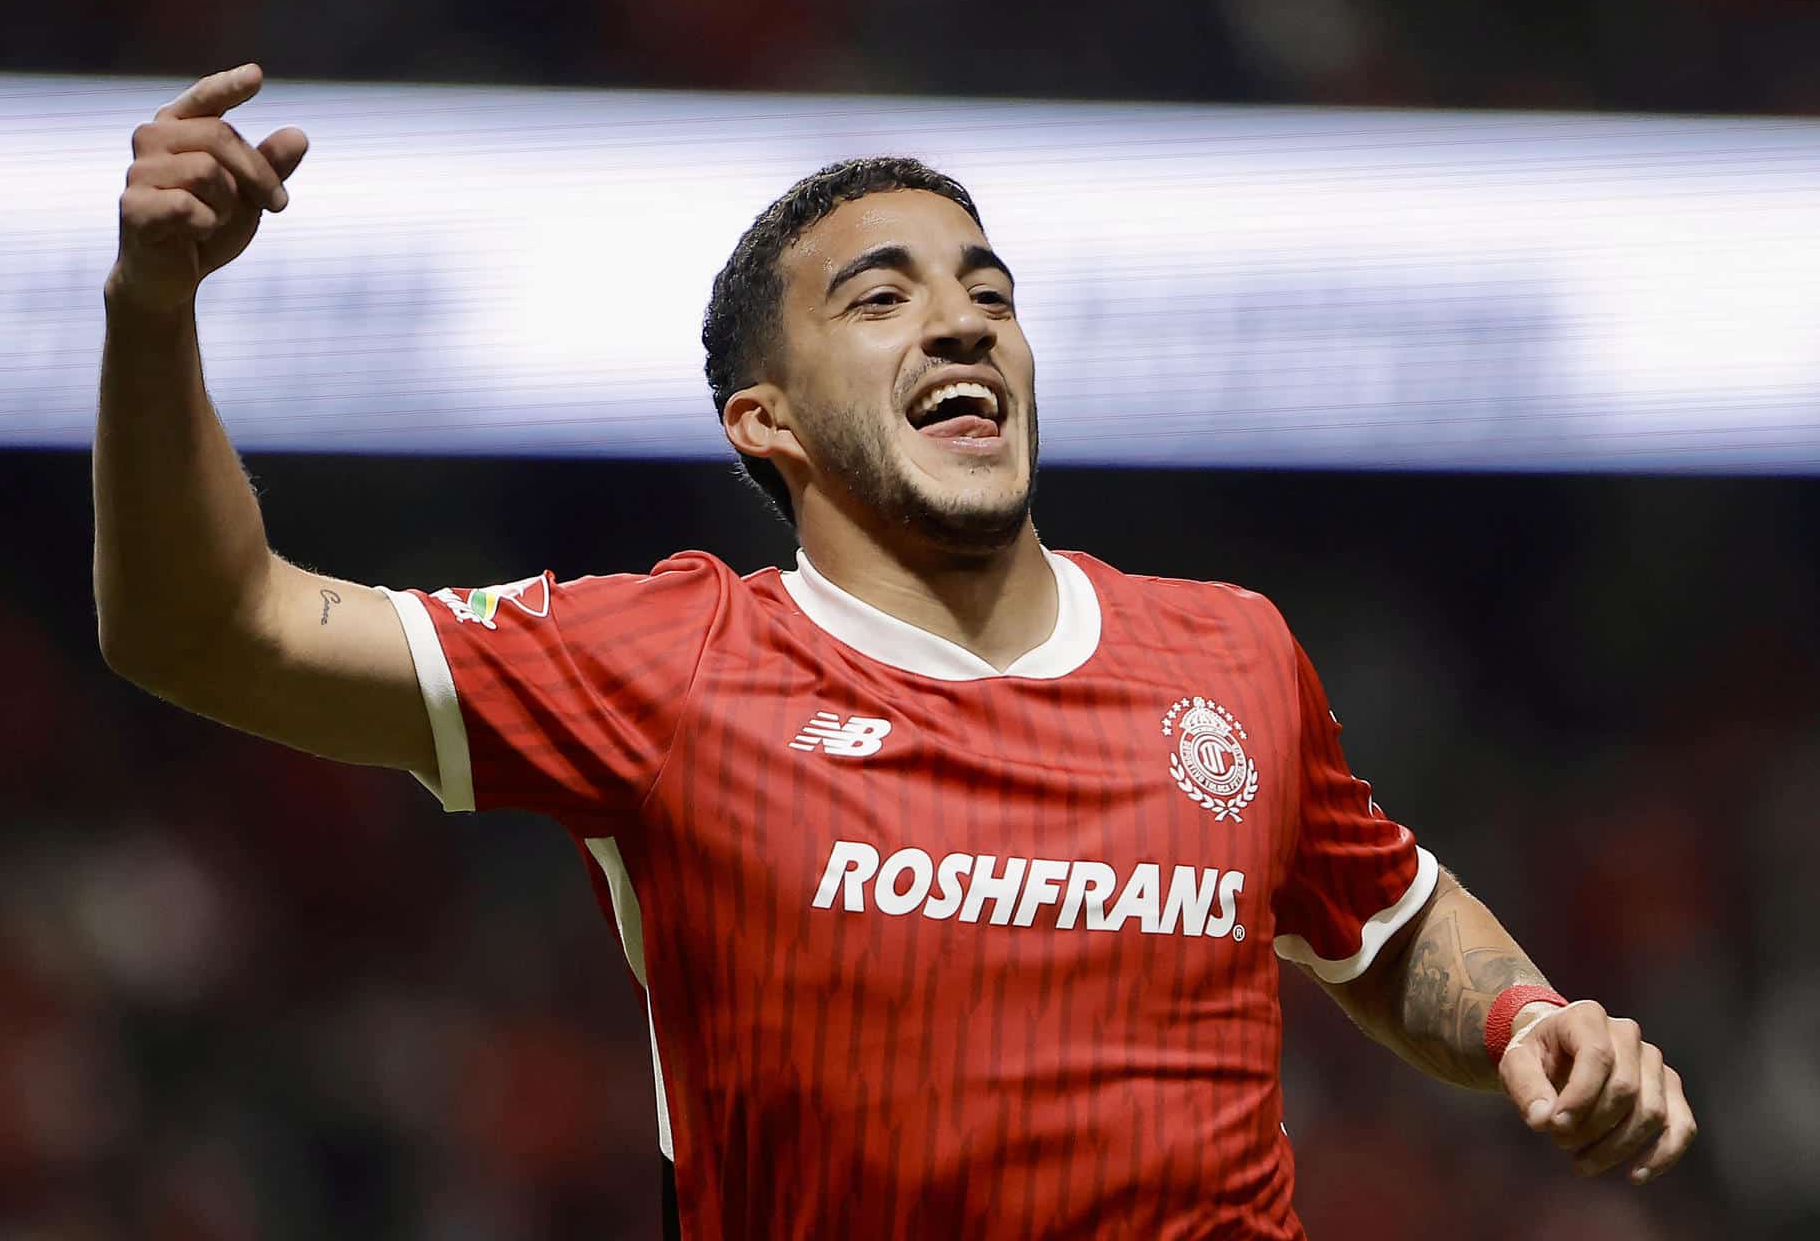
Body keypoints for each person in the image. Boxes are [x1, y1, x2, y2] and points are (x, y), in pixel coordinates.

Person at [96, 64, 1698, 1240]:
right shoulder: (665, 666)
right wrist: (155, 305)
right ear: (764, 421)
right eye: (883, 299)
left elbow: (1389, 918)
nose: (962, 323)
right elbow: (205, 627)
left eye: (987, 293)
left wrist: (1521, 1021)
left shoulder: (1234, 657)